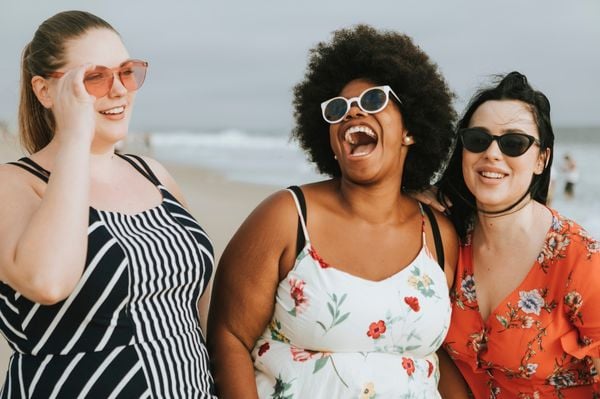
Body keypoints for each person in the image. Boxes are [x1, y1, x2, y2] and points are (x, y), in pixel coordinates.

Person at [208, 25, 467, 398]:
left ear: (410, 131)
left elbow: (437, 355)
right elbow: (227, 338)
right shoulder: (287, 217)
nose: (352, 112)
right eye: (337, 109)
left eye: (374, 100)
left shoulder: (440, 236)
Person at [0, 11, 216, 397]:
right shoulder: (14, 184)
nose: (119, 90)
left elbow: (201, 307)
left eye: (127, 72)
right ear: (45, 91)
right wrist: (75, 137)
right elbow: (47, 282)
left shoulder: (154, 174)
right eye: (95, 78)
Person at [438, 72, 600, 398]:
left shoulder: (578, 258)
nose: (493, 154)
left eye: (514, 143)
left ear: (542, 159)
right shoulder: (446, 240)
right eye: (478, 140)